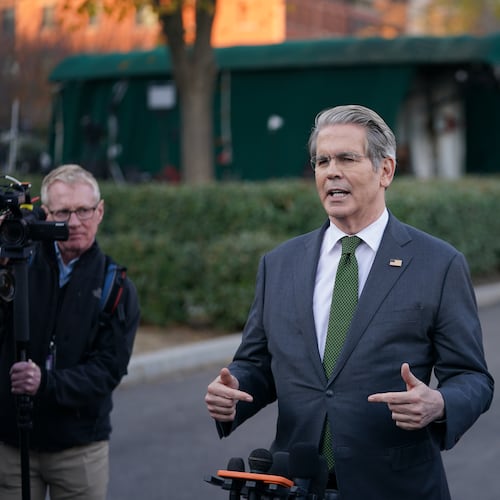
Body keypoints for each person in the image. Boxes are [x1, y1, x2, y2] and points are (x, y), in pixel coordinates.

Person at [205, 105, 494, 499]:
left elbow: (473, 378)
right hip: (295, 484)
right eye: (322, 161)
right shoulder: (279, 264)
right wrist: (233, 390)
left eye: (346, 159)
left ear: (385, 171)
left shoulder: (438, 264)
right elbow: (258, 363)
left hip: (395, 486)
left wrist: (439, 402)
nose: (330, 171)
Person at [0, 164, 140, 500]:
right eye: (63, 211)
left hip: (80, 449)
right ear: (45, 214)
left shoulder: (115, 286)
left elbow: (109, 370)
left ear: (100, 211)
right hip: (11, 444)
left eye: (83, 210)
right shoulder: (16, 266)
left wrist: (45, 383)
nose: (74, 222)